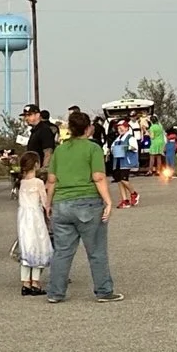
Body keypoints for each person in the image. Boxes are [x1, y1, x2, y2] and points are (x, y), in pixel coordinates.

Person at [44, 111, 121, 304]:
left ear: (69, 129)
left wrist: (48, 203)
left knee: (62, 251)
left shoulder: (60, 150)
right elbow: (98, 177)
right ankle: (103, 290)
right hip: (87, 202)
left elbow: (51, 180)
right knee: (96, 251)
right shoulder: (92, 148)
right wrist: (108, 201)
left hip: (61, 203)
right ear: (88, 128)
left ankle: (55, 292)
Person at [16, 152, 52, 296]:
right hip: (35, 216)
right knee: (39, 245)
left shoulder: (22, 182)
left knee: (27, 246)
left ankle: (25, 282)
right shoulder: (38, 182)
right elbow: (44, 201)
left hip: (23, 216)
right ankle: (35, 282)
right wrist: (49, 210)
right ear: (36, 164)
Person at [110, 119, 139, 208]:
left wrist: (127, 147)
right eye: (118, 128)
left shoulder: (130, 138)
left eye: (121, 128)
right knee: (119, 181)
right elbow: (112, 148)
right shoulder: (117, 139)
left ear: (126, 128)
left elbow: (135, 148)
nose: (119, 130)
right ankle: (124, 200)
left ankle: (134, 193)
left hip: (126, 161)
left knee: (124, 180)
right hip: (117, 162)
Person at [23, 105, 58, 170]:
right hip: (34, 170)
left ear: (38, 115)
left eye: (29, 115)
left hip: (40, 172)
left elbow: (48, 152)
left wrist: (44, 170)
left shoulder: (44, 130)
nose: (26, 118)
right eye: (25, 116)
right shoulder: (35, 131)